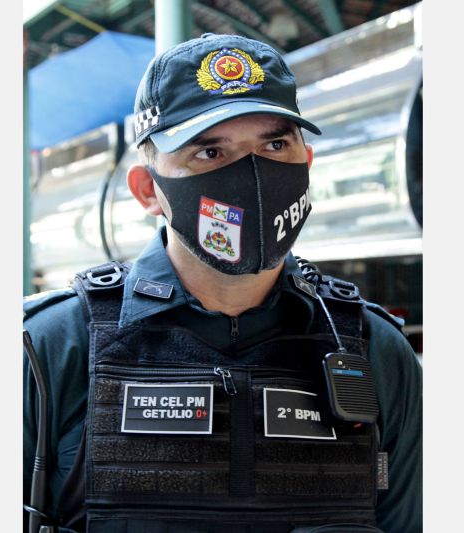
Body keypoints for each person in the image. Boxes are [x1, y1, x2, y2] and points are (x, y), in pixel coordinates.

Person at [24, 33, 422, 533]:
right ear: (148, 190)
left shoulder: (375, 351)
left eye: (275, 144)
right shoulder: (51, 347)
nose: (252, 175)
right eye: (209, 153)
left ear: (307, 163)